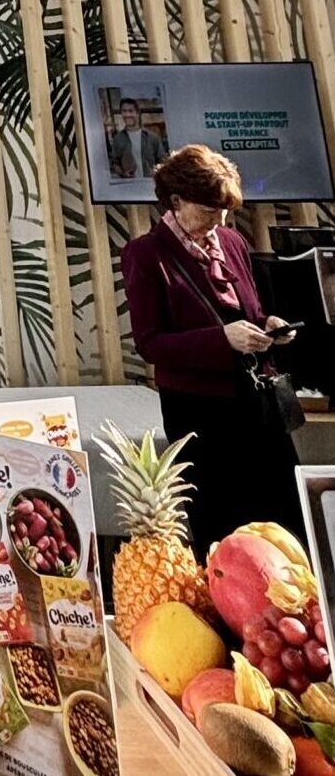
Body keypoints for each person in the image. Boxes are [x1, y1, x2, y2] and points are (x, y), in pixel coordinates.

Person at [122, 144, 303, 555]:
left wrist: (269, 326)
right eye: (209, 210)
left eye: (225, 210)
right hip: (199, 412)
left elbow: (251, 312)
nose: (219, 221)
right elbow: (150, 343)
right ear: (176, 202)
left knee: (285, 520)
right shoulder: (145, 255)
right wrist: (222, 339)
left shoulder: (232, 242)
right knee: (223, 525)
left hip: (257, 402)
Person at [109, 97, 168, 179]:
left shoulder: (152, 137)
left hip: (151, 182)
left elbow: (163, 161)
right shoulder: (117, 139)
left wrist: (156, 172)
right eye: (124, 111)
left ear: (137, 113)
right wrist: (123, 173)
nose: (127, 115)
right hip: (129, 184)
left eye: (130, 111)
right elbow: (115, 163)